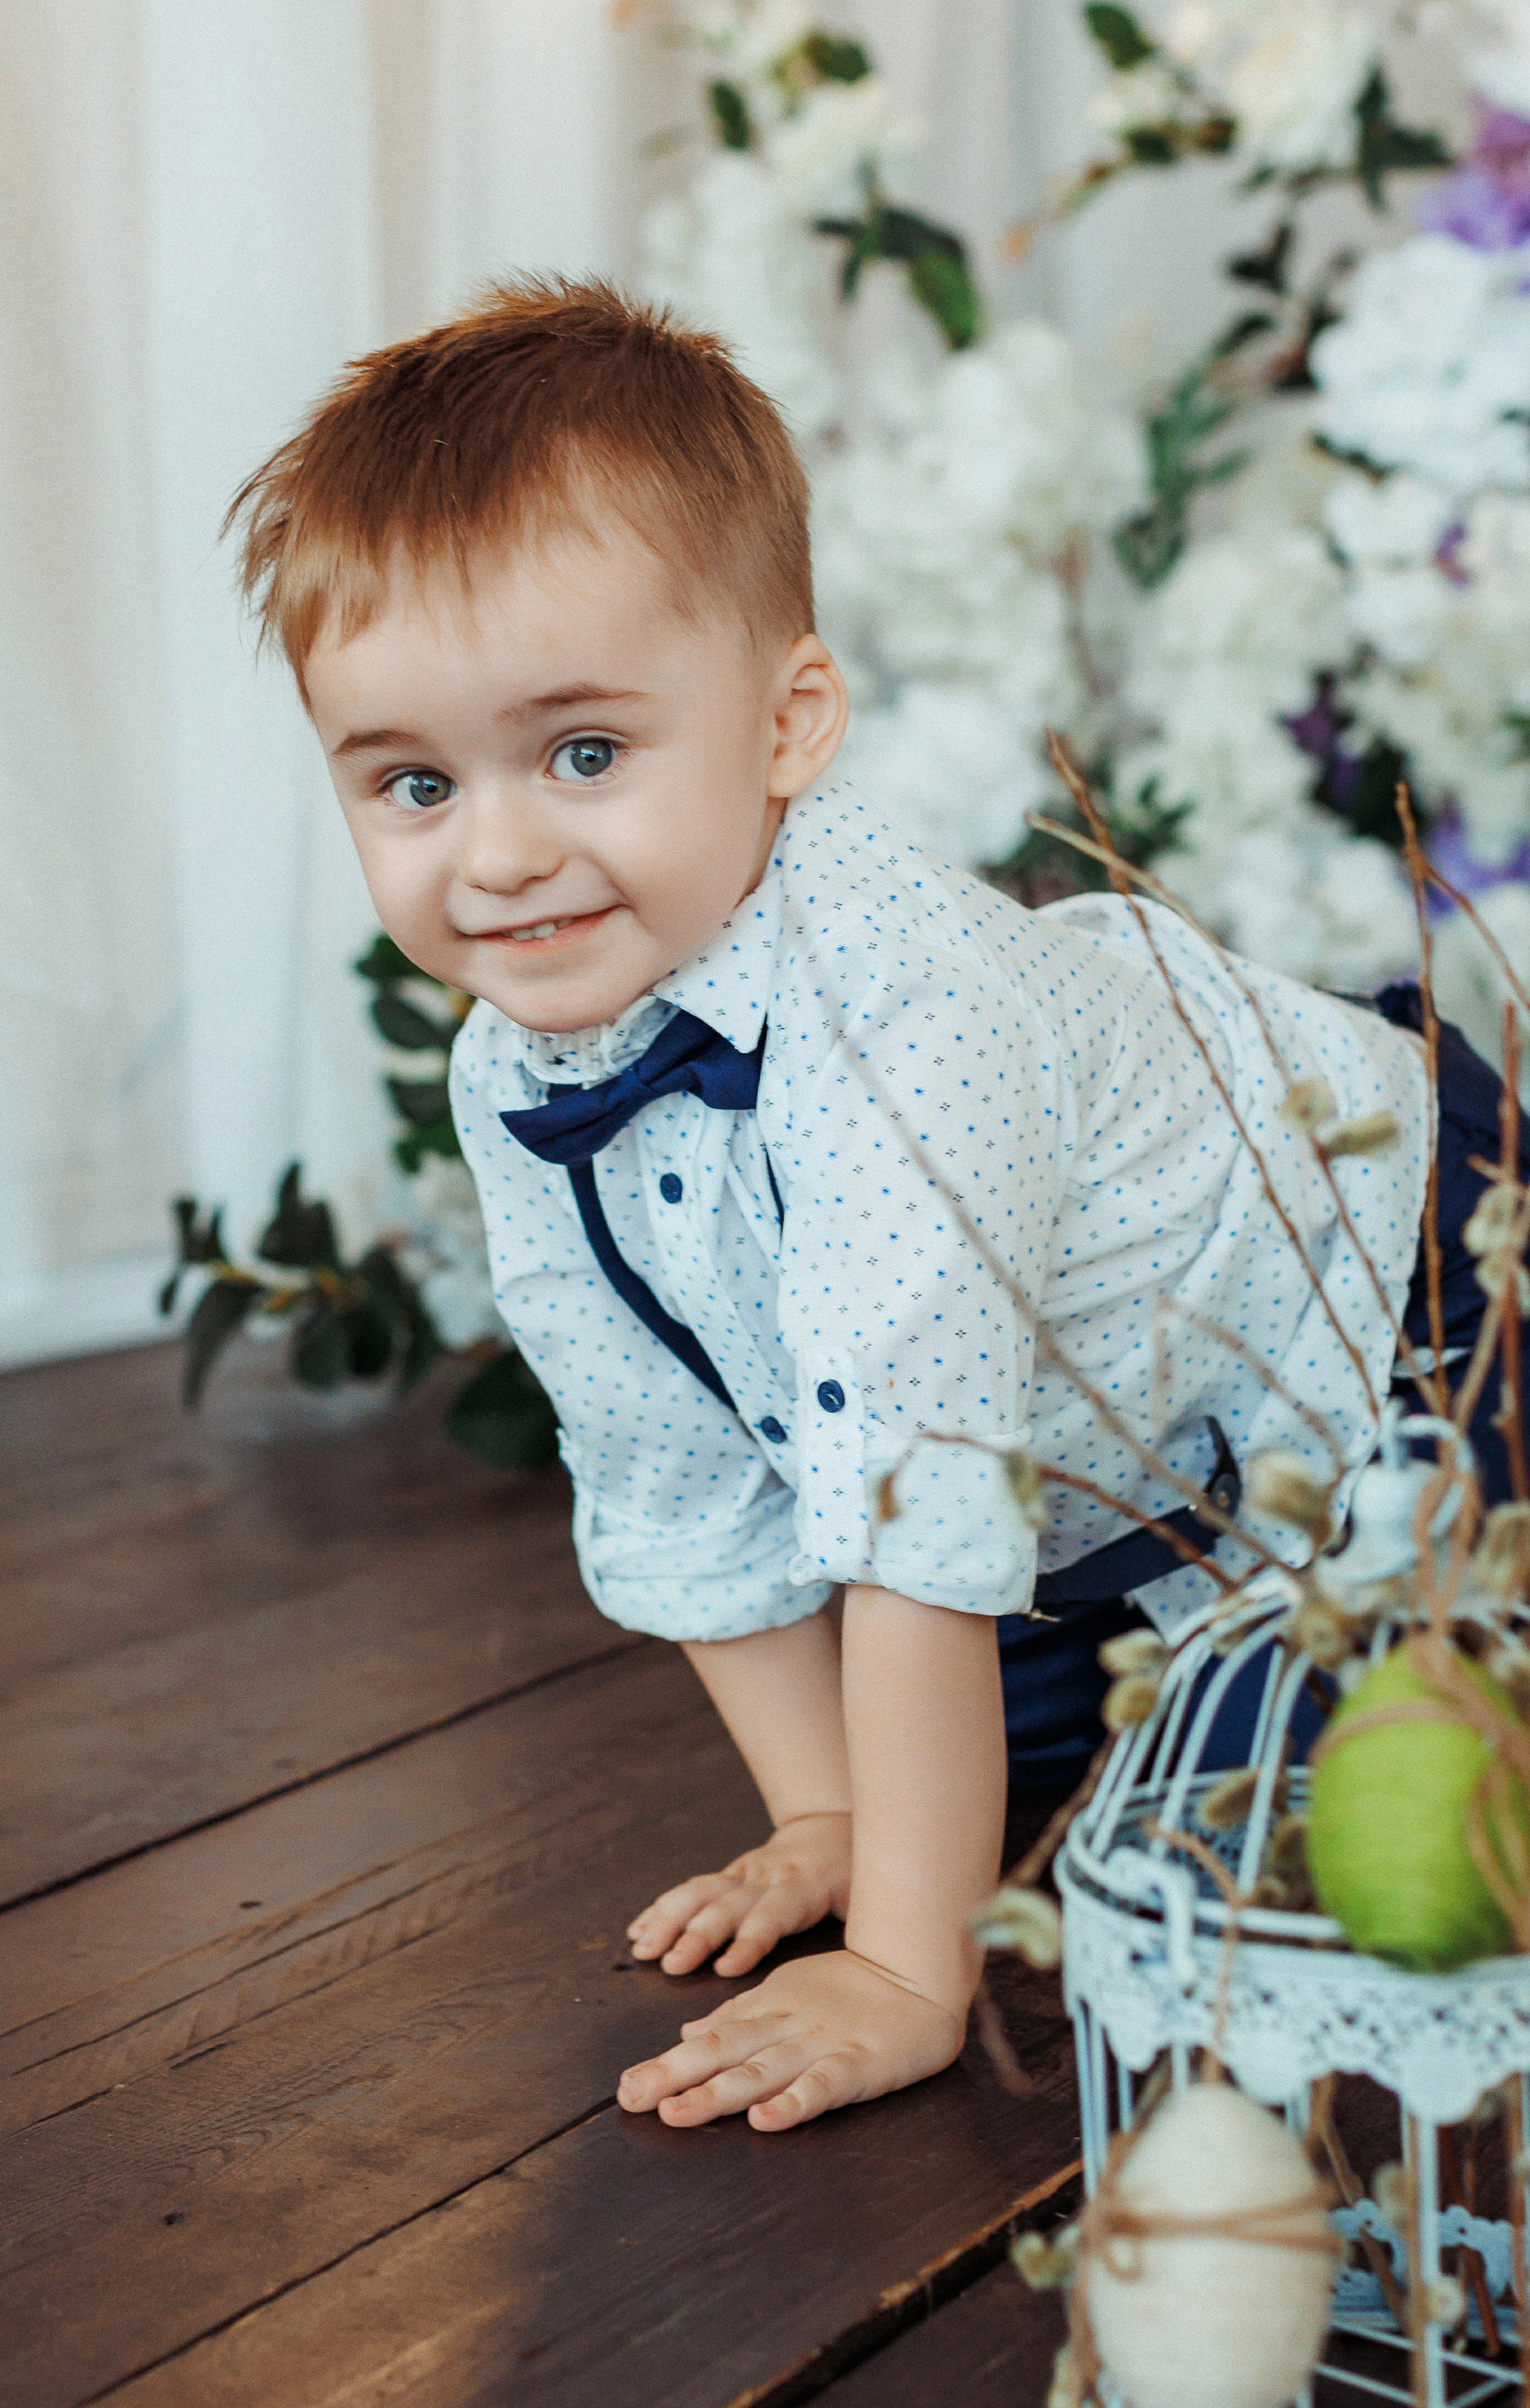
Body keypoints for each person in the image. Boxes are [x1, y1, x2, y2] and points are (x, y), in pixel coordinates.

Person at [227, 276, 1441, 2136]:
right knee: (1025, 1791)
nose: (499, 854)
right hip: (1100, 1463)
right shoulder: (513, 1071)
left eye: (583, 754)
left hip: (1403, 1272)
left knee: (1366, 1801)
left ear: (791, 722)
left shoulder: (905, 1029)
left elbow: (921, 1506)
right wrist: (838, 1822)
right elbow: (669, 1460)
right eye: (413, 782)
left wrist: (903, 1969)